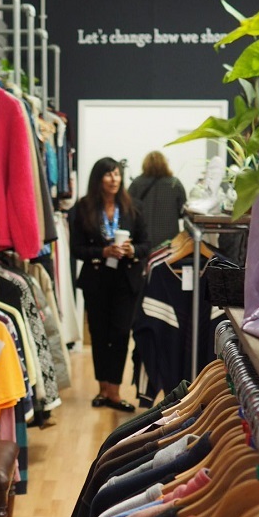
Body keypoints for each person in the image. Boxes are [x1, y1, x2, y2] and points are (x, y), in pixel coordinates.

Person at [71, 157, 151, 412]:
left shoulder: (133, 207)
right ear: (98, 178)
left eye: (117, 174)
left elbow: (146, 245)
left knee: (119, 335)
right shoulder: (82, 208)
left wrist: (131, 251)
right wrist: (102, 251)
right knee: (98, 334)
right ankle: (102, 389)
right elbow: (76, 249)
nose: (114, 179)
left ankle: (115, 392)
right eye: (108, 174)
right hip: (96, 280)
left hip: (126, 281)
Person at [128, 151, 187, 249]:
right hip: (168, 240)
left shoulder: (136, 184)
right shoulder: (175, 184)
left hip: (142, 238)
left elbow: (128, 210)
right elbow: (183, 212)